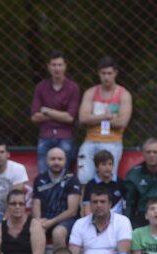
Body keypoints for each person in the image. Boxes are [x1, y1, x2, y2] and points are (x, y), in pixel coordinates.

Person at [77, 56, 132, 185]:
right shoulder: (91, 92)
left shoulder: (123, 94)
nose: (106, 77)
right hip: (90, 140)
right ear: (98, 74)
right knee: (84, 179)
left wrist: (93, 118)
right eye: (103, 73)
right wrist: (105, 117)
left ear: (115, 73)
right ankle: (85, 204)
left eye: (109, 73)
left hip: (112, 141)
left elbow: (122, 122)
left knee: (107, 179)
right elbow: (83, 118)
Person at [69, 185, 132, 254]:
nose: (98, 205)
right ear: (90, 204)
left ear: (110, 204)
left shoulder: (122, 221)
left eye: (102, 202)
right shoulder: (80, 223)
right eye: (95, 202)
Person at [30, 51, 81, 175]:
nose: (57, 68)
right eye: (54, 65)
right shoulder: (40, 87)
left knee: (62, 175)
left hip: (66, 136)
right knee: (43, 175)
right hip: (45, 136)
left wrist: (47, 111)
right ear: (48, 66)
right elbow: (35, 117)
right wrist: (60, 115)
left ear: (65, 66)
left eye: (60, 65)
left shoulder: (73, 88)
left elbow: (70, 118)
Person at [31, 145, 82, 249]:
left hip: (66, 220)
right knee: (34, 231)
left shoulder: (72, 179)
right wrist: (38, 222)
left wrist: (51, 222)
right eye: (53, 159)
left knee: (58, 233)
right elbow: (36, 204)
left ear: (65, 161)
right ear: (46, 160)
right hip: (44, 219)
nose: (56, 162)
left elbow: (72, 211)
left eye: (60, 159)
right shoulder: (40, 179)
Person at [79, 148, 125, 217]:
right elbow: (87, 208)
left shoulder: (120, 182)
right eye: (104, 164)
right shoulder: (91, 184)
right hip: (97, 219)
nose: (107, 167)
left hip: (118, 221)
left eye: (110, 164)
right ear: (96, 167)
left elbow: (125, 205)